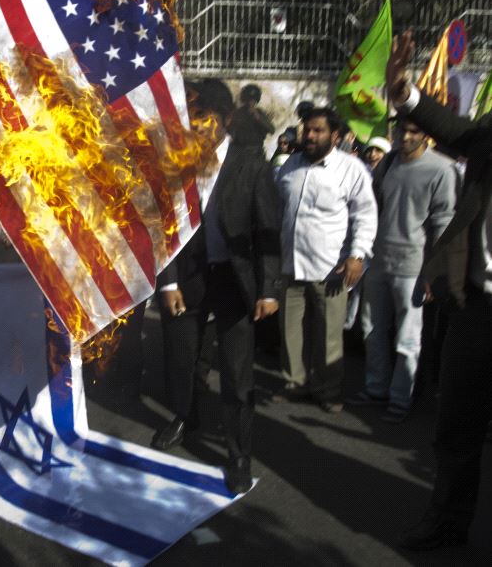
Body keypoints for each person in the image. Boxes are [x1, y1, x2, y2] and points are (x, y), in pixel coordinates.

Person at [387, 30, 492, 550]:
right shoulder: (488, 138)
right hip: (478, 309)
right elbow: (452, 127)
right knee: (456, 426)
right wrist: (403, 89)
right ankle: (447, 522)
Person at [152, 78, 281, 494]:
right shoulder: (178, 163)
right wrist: (168, 283)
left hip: (234, 278)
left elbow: (268, 232)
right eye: (193, 120)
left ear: (226, 120)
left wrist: (268, 290)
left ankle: (238, 452)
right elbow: (166, 229)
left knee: (236, 371)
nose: (199, 128)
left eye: (207, 119)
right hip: (188, 276)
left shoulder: (250, 165)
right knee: (180, 356)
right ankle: (184, 418)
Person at [348, 119, 457, 422]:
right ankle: (376, 388)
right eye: (401, 131)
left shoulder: (442, 169)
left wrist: (433, 272)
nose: (406, 137)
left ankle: (401, 397)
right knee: (371, 328)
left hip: (413, 266)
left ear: (427, 136)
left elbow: (443, 224)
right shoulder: (388, 163)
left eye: (414, 132)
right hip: (378, 260)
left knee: (408, 337)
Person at [273, 107, 377, 413]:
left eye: (318, 131)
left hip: (330, 268)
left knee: (329, 334)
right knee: (291, 331)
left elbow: (365, 216)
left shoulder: (351, 169)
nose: (310, 136)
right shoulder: (291, 164)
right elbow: (278, 209)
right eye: (307, 130)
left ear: (335, 136)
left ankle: (328, 390)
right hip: (290, 264)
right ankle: (295, 383)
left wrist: (357, 255)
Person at [228, 83, 274, 153]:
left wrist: (258, 118)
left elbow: (272, 130)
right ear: (245, 100)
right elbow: (230, 131)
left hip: (256, 153)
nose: (251, 102)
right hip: (239, 153)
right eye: (249, 100)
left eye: (253, 100)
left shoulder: (260, 113)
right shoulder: (237, 113)